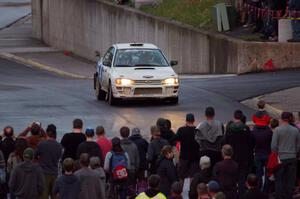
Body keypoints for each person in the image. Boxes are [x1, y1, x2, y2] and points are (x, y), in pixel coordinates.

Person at [224, 110, 255, 197]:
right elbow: (251, 143)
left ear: (234, 117)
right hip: (244, 158)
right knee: (242, 179)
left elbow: (225, 141)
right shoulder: (246, 128)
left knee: (232, 178)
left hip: (232, 156)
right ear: (241, 117)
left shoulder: (230, 128)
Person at [271, 112, 300, 199]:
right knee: (290, 180)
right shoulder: (295, 130)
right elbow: (298, 145)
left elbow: (273, 146)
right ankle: (288, 196)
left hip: (280, 158)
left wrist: (277, 153)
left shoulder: (277, 130)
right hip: (292, 157)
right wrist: (294, 153)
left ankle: (280, 196)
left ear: (281, 118)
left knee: (279, 179)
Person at [35, 124, 63, 199]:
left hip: (44, 173)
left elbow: (35, 155)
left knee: (43, 196)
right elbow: (59, 158)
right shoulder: (59, 146)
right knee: (55, 195)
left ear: (47, 133)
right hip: (54, 173)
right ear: (55, 134)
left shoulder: (41, 144)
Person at [175, 113, 200, 181]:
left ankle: (181, 190)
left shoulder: (181, 130)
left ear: (186, 120)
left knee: (182, 176)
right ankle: (191, 190)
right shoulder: (197, 131)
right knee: (193, 176)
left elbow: (176, 139)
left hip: (184, 156)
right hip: (195, 157)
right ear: (194, 120)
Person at [251, 120, 272, 191]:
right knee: (267, 174)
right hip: (267, 154)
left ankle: (258, 188)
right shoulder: (269, 131)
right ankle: (266, 190)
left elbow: (252, 142)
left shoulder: (254, 131)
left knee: (258, 173)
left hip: (257, 154)